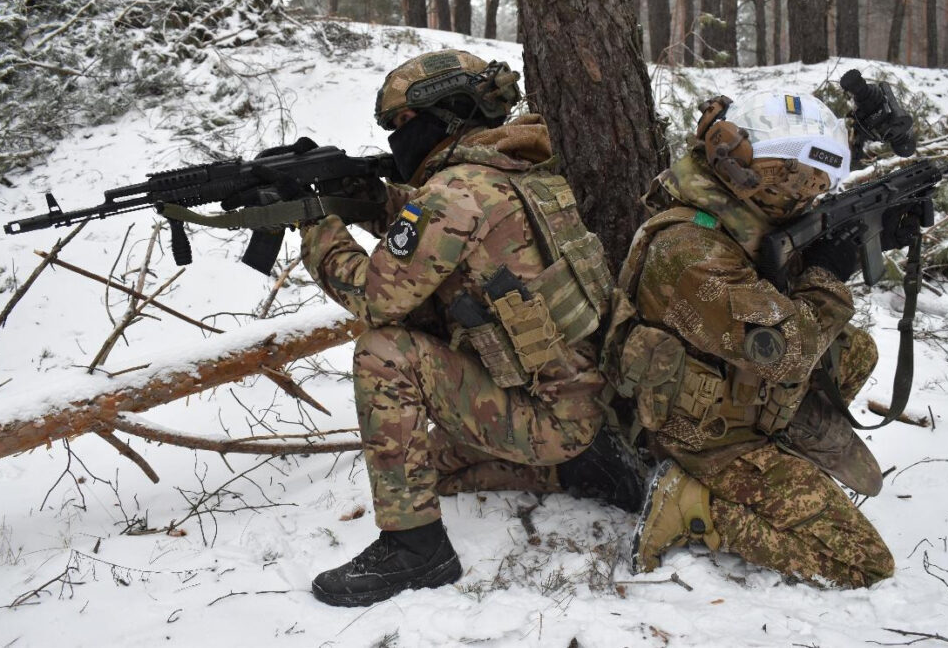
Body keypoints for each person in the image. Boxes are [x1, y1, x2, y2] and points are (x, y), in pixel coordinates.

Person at [300, 49, 640, 607]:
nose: (396, 137)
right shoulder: (511, 172)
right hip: (581, 401)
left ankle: (416, 549)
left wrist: (317, 227)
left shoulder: (454, 193)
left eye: (404, 122)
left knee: (383, 351)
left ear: (448, 113)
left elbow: (374, 299)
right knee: (430, 468)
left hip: (544, 414)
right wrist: (371, 201)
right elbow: (436, 231)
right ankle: (578, 469)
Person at [603, 92, 897, 588]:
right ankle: (693, 503)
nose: (809, 196)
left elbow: (776, 284)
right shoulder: (691, 249)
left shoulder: (736, 214)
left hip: (733, 391)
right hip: (700, 435)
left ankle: (775, 443)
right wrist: (827, 274)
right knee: (865, 563)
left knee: (854, 351)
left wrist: (877, 231)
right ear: (770, 175)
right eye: (803, 185)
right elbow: (792, 353)